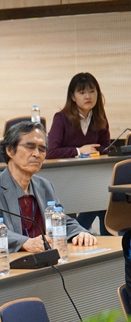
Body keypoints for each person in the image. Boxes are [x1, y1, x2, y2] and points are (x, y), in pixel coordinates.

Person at [0, 121, 98, 252]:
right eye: (30, 147)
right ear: (9, 150)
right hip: (10, 262)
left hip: (44, 258)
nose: (37, 154)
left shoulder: (44, 186)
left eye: (42, 149)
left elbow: (61, 220)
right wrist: (25, 242)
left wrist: (80, 233)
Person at [47, 72, 111, 235]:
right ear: (73, 97)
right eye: (82, 93)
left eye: (92, 91)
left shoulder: (99, 117)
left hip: (91, 177)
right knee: (96, 199)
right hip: (66, 178)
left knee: (102, 199)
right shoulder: (61, 118)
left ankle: (102, 240)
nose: (88, 96)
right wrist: (78, 151)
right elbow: (50, 151)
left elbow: (104, 147)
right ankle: (79, 231)